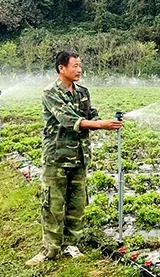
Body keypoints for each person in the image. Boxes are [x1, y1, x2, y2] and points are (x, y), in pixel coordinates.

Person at [26, 50, 122, 266]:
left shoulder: (83, 92)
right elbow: (69, 120)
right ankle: (50, 249)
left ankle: (71, 244)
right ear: (62, 68)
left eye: (80, 66)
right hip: (57, 158)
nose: (79, 70)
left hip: (79, 156)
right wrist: (100, 124)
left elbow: (90, 115)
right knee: (53, 203)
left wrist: (107, 122)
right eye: (75, 66)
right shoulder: (51, 92)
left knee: (77, 203)